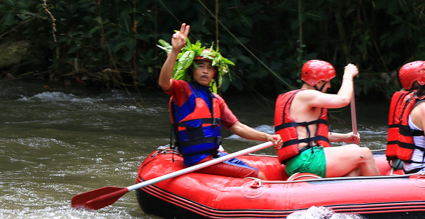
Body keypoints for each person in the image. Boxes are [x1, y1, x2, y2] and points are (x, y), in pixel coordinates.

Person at [158, 23, 281, 180]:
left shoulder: (216, 99)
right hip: (198, 160)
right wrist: (175, 50)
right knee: (259, 175)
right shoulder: (183, 90)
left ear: (215, 73)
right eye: (200, 66)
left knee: (253, 171)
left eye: (210, 67)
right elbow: (164, 83)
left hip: (214, 155)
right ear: (192, 69)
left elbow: (237, 126)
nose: (205, 71)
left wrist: (268, 137)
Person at [274, 60, 380, 178]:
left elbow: (313, 136)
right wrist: (348, 76)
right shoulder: (306, 95)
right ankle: (383, 193)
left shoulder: (298, 97)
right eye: (328, 82)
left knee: (355, 157)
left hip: (301, 160)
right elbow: (343, 100)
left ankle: (346, 195)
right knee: (364, 153)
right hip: (306, 160)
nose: (329, 86)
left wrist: (344, 137)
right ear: (319, 82)